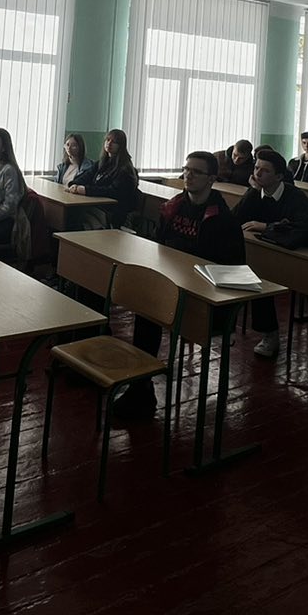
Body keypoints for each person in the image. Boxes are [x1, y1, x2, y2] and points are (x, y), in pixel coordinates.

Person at [111, 150, 243, 420]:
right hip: (172, 286)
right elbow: (161, 248)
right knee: (145, 307)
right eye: (186, 170)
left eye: (196, 172)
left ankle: (141, 388)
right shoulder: (174, 207)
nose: (188, 175)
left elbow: (231, 269)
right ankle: (141, 388)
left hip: (204, 297)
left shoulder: (223, 220)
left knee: (151, 309)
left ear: (211, 179)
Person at [234, 147, 308, 358]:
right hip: (266, 255)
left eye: (265, 170)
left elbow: (305, 228)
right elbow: (234, 219)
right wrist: (251, 191)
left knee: (262, 276)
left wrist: (266, 226)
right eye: (256, 168)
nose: (257, 173)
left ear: (279, 176)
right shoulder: (256, 193)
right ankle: (267, 333)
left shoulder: (295, 197)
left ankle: (270, 335)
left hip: (297, 257)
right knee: (256, 275)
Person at [67, 128, 139, 228]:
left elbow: (111, 191)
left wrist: (86, 190)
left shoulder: (125, 169)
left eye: (114, 142)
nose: (109, 143)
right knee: (70, 214)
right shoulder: (102, 163)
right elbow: (86, 176)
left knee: (76, 217)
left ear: (121, 146)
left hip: (112, 212)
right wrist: (74, 184)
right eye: (108, 140)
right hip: (97, 207)